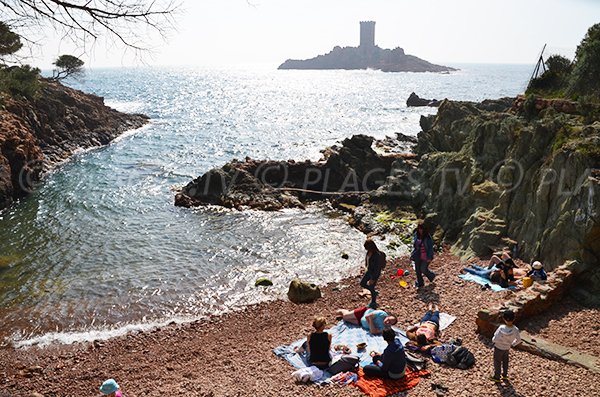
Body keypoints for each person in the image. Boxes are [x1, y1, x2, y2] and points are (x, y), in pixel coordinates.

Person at [490, 310, 521, 383]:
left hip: (498, 347)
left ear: (504, 319)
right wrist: (512, 344)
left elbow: (495, 338)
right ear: (514, 319)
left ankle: (497, 377)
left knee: (497, 361)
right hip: (507, 348)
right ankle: (505, 375)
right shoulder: (515, 329)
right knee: (505, 361)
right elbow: (519, 340)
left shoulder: (501, 328)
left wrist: (493, 341)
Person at [361, 239, 385, 308]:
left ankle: (373, 302)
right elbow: (368, 262)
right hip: (369, 271)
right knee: (362, 283)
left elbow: (377, 269)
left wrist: (373, 279)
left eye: (367, 248)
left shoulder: (377, 255)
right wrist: (365, 268)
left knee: (371, 286)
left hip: (374, 273)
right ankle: (374, 292)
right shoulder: (368, 252)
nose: (366, 249)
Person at [411, 222, 435, 289]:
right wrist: (412, 254)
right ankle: (420, 283)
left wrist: (430, 257)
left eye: (421, 229)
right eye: (419, 228)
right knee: (417, 270)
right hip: (417, 255)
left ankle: (432, 276)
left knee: (423, 269)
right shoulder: (416, 235)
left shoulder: (428, 237)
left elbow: (430, 248)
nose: (420, 230)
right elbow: (414, 246)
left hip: (426, 255)